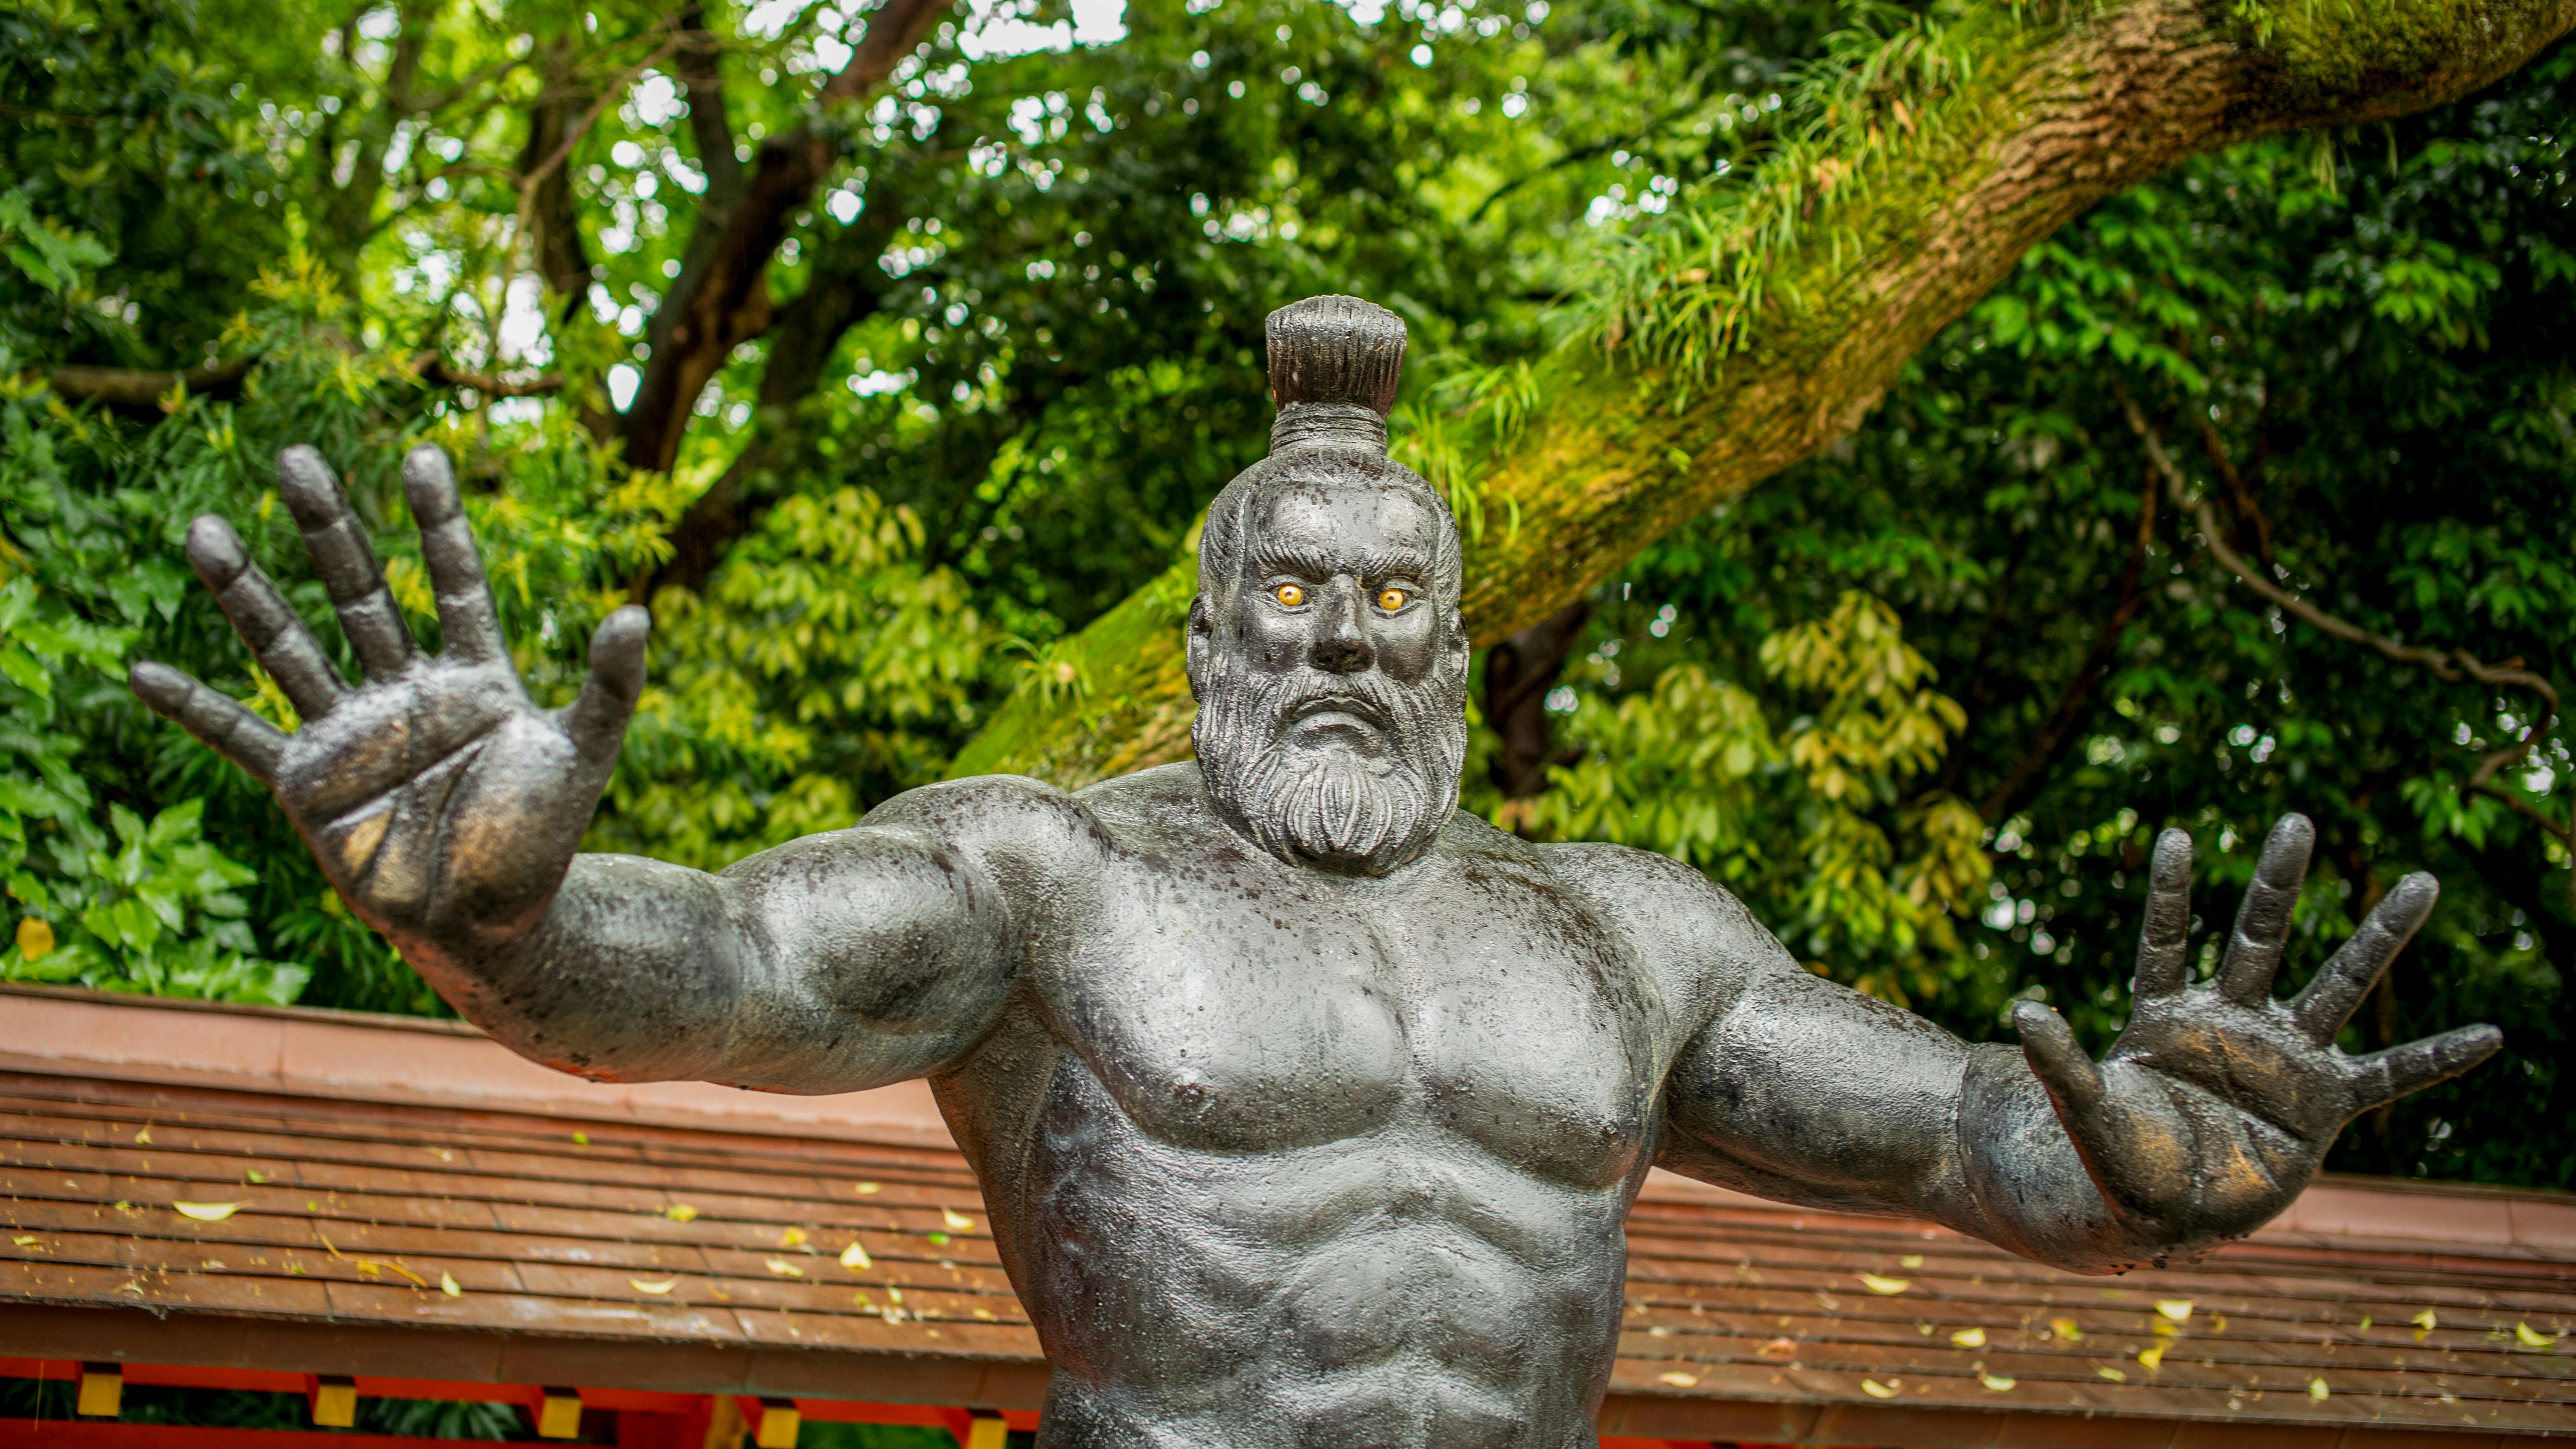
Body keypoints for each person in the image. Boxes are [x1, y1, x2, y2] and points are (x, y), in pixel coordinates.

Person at [132, 296, 2498, 1449]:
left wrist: (2147, 1166)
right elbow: (733, 963)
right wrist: (502, 912)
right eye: (1293, 596)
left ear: (1459, 638)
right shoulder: (1046, 877)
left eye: (1394, 602)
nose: (1344, 641)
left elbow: (1962, 1129)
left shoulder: (1627, 932)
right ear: (1205, 634)